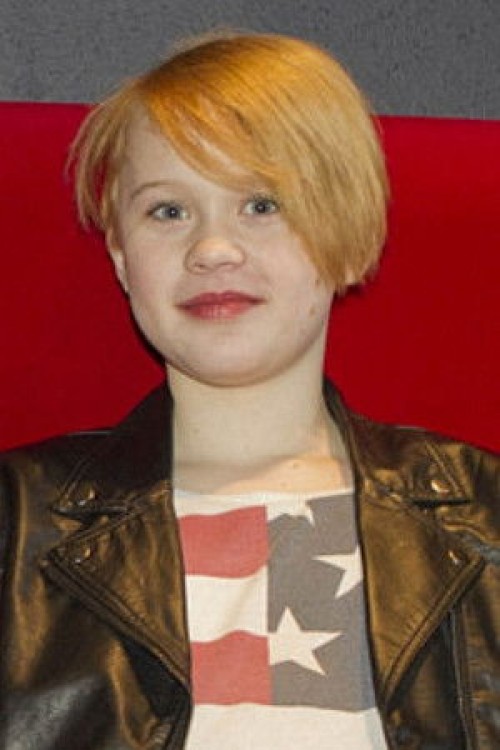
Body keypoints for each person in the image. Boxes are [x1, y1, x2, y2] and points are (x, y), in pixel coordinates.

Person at [0, 31, 498, 750]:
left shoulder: (486, 517)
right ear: (122, 258)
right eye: (168, 211)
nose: (212, 249)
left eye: (261, 204)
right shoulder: (16, 524)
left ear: (350, 234)